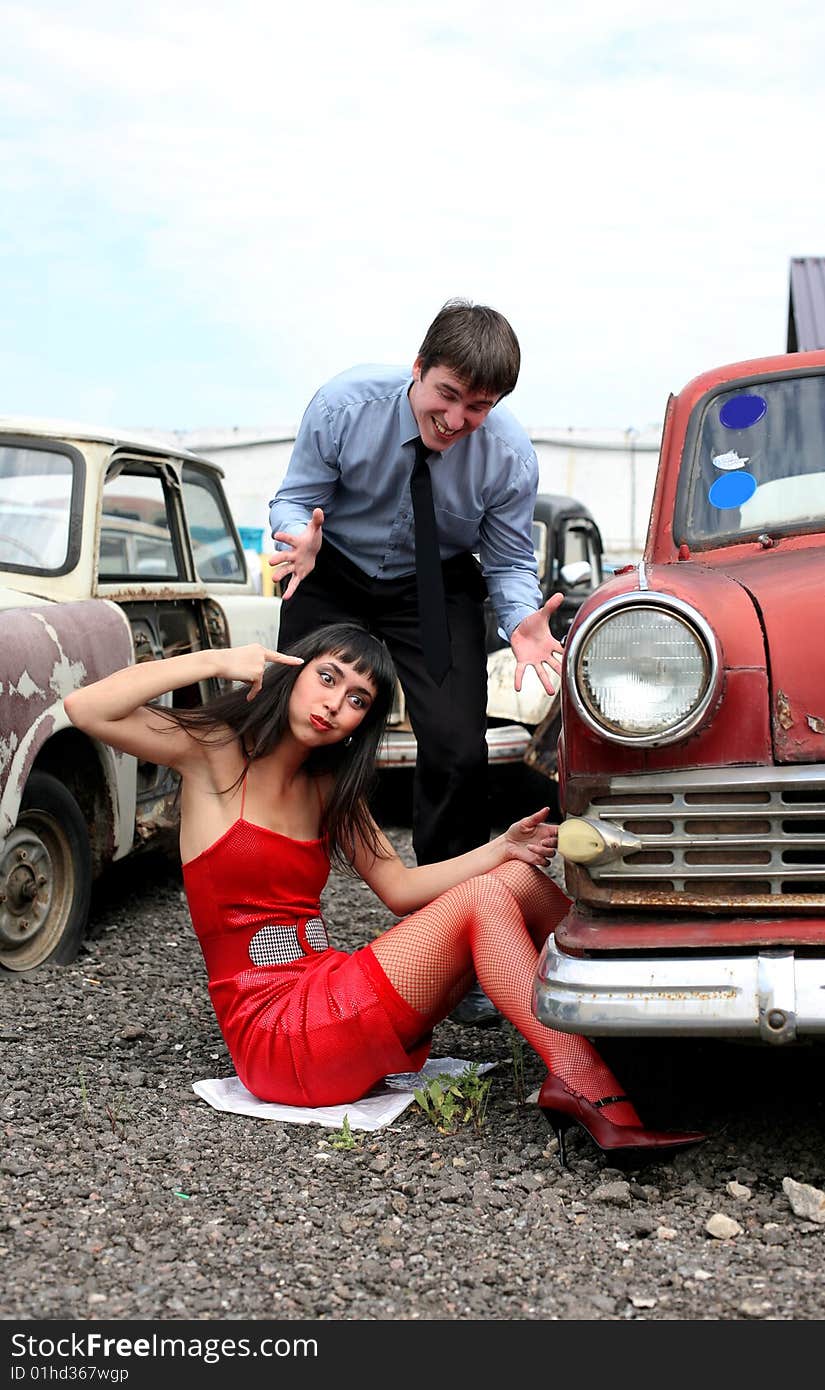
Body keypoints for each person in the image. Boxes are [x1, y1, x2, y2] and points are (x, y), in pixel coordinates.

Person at [63, 624, 704, 1164]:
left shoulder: (332, 793)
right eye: (328, 677)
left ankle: (633, 1010)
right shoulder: (214, 757)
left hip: (328, 995)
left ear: (361, 725)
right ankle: (590, 1086)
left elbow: (400, 889)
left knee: (509, 879)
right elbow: (85, 708)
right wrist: (218, 661)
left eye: (358, 698)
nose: (336, 702)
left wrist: (500, 848)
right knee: (485, 901)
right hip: (278, 1035)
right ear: (292, 670)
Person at [268, 298, 559, 1024]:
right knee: (284, 736)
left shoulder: (510, 455)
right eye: (447, 395)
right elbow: (298, 497)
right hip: (329, 569)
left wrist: (521, 618)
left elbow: (511, 557)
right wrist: (290, 538)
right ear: (418, 369)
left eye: (479, 406)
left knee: (459, 751)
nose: (457, 419)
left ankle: (450, 931)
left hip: (437, 582)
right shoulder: (344, 405)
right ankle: (276, 923)